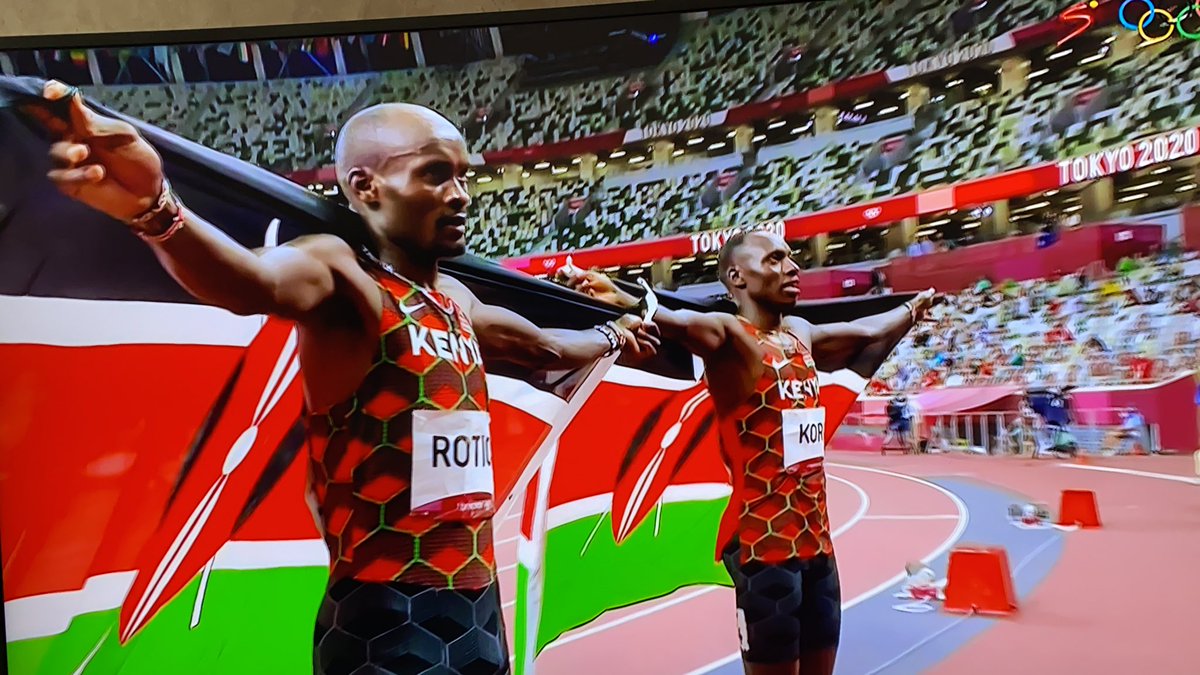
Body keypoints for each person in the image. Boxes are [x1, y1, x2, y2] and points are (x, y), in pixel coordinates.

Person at [29, 80, 659, 675]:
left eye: (464, 177)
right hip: (383, 616)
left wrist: (614, 332)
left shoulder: (456, 301)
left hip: (477, 605)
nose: (462, 195)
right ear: (367, 185)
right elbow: (252, 284)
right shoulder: (342, 276)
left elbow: (543, 345)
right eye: (436, 174)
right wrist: (155, 207)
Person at [559, 229, 935, 675]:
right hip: (763, 547)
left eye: (792, 258)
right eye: (775, 260)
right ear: (737, 277)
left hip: (818, 547)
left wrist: (914, 308)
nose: (792, 268)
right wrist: (617, 294)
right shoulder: (729, 336)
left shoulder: (800, 333)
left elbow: (866, 329)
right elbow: (672, 319)